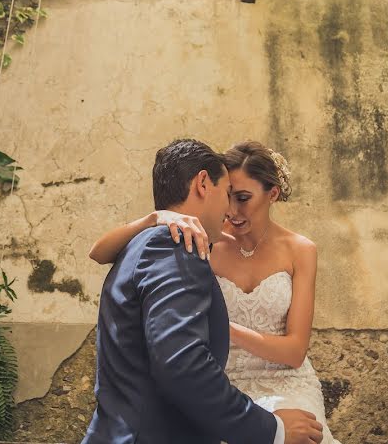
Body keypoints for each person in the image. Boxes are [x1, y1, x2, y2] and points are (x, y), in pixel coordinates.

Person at [89, 140, 341, 444]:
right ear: (203, 184)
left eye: (243, 198)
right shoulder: (187, 242)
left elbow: (294, 349)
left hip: (261, 387)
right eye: (227, 196)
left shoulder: (177, 242)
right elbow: (183, 365)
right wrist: (156, 217)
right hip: (215, 392)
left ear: (272, 194)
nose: (230, 210)